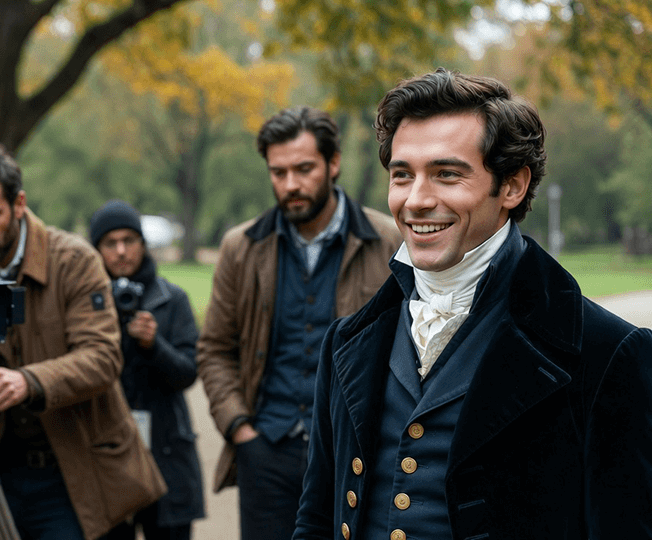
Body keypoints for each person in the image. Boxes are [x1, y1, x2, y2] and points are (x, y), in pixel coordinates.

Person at [293, 69, 652, 540]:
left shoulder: (608, 354)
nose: (416, 200)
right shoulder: (345, 344)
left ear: (511, 187)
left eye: (446, 174)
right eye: (402, 175)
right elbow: (316, 520)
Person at [192, 106, 399, 540]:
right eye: (278, 172)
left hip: (355, 454)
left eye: (304, 169)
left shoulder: (389, 241)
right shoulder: (240, 247)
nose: (291, 185)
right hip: (265, 451)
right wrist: (240, 429)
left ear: (333, 163)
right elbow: (214, 349)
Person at [0, 145, 164, 539]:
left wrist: (27, 381)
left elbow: (103, 356)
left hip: (67, 469)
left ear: (19, 203)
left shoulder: (74, 260)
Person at [86, 201, 205, 540]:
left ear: (142, 243)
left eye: (129, 240)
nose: (121, 251)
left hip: (167, 454)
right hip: (107, 458)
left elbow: (188, 373)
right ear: (97, 250)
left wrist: (155, 344)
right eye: (110, 243)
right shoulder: (84, 304)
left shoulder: (173, 299)